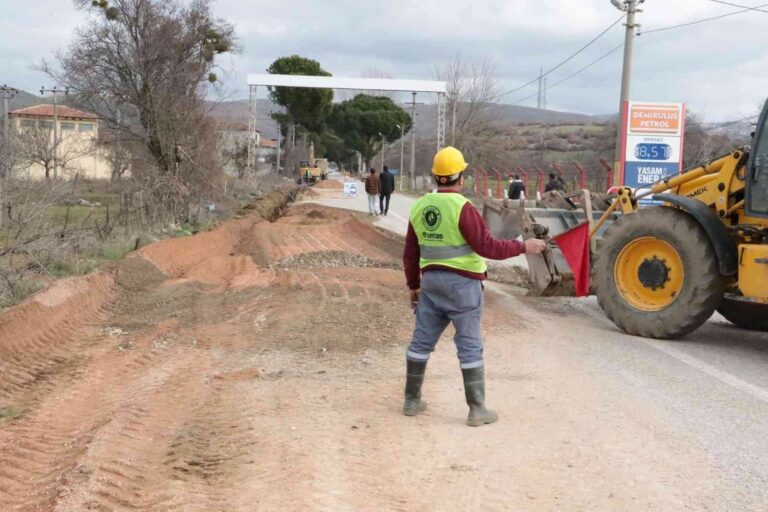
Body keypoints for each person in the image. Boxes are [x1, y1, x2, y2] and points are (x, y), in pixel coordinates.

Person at [402, 147, 547, 426]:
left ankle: (411, 400)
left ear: (435, 176)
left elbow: (410, 253)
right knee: (469, 345)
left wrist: (414, 286)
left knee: (420, 342)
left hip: (430, 285)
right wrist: (523, 246)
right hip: (463, 286)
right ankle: (477, 409)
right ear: (460, 177)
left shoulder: (420, 206)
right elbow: (487, 246)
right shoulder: (462, 207)